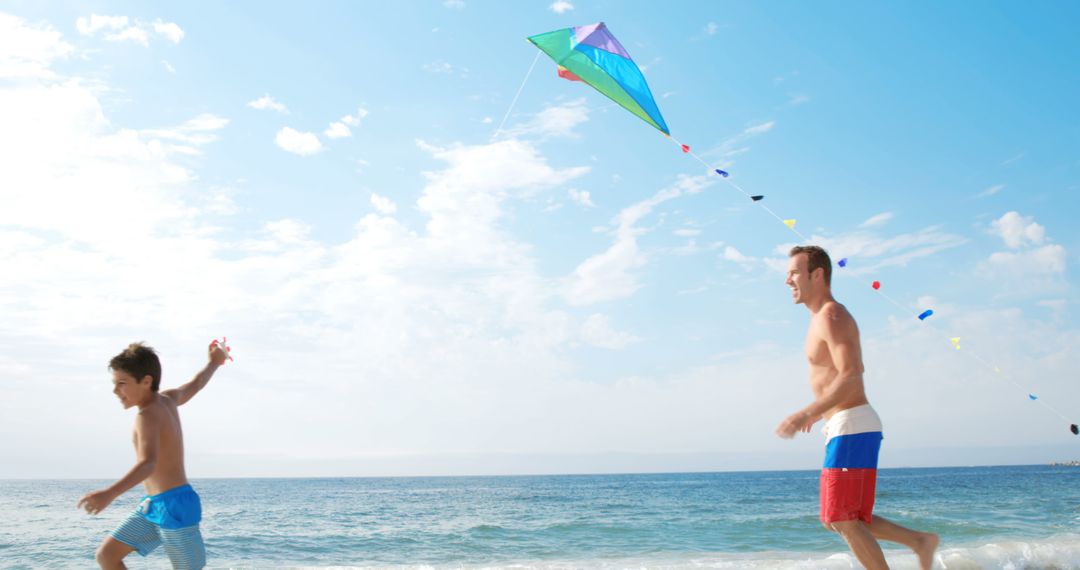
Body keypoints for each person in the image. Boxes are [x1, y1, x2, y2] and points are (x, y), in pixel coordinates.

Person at [775, 245, 939, 570]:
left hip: (853, 424)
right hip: (845, 425)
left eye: (794, 272)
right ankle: (919, 541)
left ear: (817, 274)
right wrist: (820, 412)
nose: (787, 280)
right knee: (838, 518)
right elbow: (835, 377)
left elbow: (851, 375)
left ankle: (919, 542)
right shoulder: (820, 319)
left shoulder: (832, 316)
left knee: (842, 518)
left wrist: (806, 412)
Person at [78, 341, 228, 569]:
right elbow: (197, 384)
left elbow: (148, 464)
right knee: (107, 555)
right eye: (114, 384)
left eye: (122, 383)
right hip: (152, 506)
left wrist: (109, 494)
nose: (115, 391)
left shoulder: (146, 416)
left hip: (176, 506)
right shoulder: (168, 399)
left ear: (146, 381)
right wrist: (214, 362)